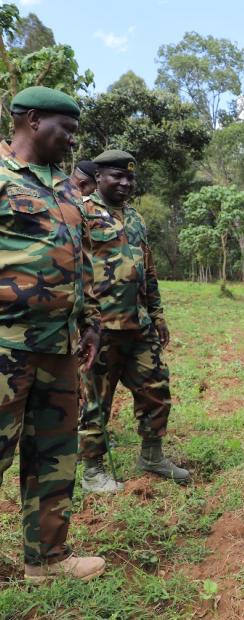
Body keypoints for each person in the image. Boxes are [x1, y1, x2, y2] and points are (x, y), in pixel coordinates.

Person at [0, 86, 105, 581]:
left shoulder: (66, 189)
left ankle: (47, 561)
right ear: (34, 120)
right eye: (65, 130)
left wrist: (91, 323)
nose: (70, 142)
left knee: (54, 458)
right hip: (7, 346)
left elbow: (80, 263)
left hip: (60, 348)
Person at [78, 149, 188, 493]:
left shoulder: (136, 219)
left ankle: (152, 456)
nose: (125, 183)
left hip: (139, 326)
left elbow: (148, 270)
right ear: (98, 177)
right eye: (117, 176)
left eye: (130, 178)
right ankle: (93, 470)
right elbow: (71, 269)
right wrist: (83, 322)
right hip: (100, 328)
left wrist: (157, 315)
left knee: (156, 390)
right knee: (96, 399)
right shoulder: (81, 213)